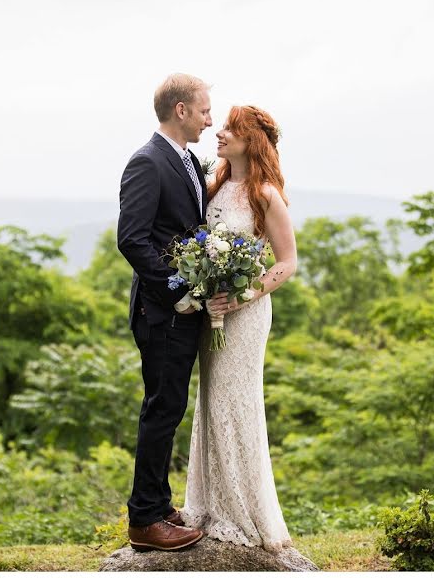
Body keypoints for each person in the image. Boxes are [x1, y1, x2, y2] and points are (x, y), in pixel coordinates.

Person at [179, 105, 297, 554]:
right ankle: (209, 507)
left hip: (245, 315)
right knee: (211, 402)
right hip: (215, 314)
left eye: (231, 130)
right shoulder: (217, 186)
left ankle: (242, 513)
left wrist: (243, 295)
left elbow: (287, 263)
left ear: (253, 141)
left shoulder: (265, 193)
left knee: (237, 403)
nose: (220, 133)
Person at [116, 73, 212, 552]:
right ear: (180, 111)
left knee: (170, 407)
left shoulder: (190, 160)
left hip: (183, 311)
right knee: (161, 409)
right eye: (203, 110)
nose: (209, 119)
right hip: (162, 312)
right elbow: (131, 239)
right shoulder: (147, 162)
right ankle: (144, 520)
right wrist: (177, 289)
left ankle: (157, 501)